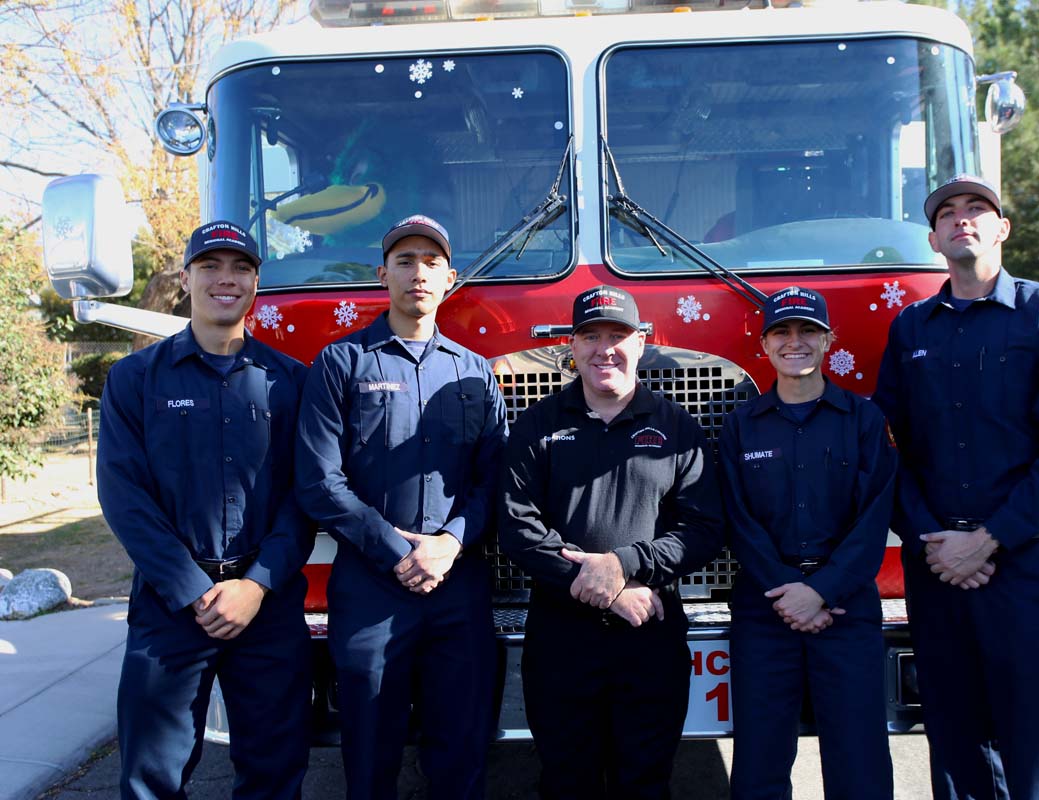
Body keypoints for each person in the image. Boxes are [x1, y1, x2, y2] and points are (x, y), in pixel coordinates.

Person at [874, 175, 1039, 800]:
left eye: (977, 209)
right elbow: (886, 451)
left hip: (1028, 560)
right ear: (933, 238)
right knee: (954, 736)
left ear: (1002, 229)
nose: (962, 219)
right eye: (947, 213)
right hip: (940, 566)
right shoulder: (910, 329)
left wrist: (990, 538)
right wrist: (933, 541)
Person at [98, 220, 314, 799]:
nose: (226, 279)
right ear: (187, 277)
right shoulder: (134, 379)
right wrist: (193, 588)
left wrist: (257, 584)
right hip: (170, 607)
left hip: (265, 607)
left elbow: (307, 495)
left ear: (256, 283)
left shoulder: (291, 383)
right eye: (211, 266)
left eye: (241, 267)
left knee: (275, 773)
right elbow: (123, 495)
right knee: (152, 778)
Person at [294, 215, 507, 800]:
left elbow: (494, 479)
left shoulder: (475, 372)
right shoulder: (341, 364)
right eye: (405, 261)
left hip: (457, 588)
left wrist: (451, 542)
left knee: (461, 757)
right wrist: (395, 549)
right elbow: (318, 480)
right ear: (382, 273)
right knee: (368, 760)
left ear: (450, 279)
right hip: (369, 589)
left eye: (432, 262)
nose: (418, 273)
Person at [498, 285, 723, 799]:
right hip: (560, 639)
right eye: (590, 336)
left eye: (618, 335)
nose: (605, 349)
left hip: (650, 634)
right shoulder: (538, 425)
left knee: (644, 782)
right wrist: (603, 586)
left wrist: (625, 564)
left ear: (641, 342)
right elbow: (515, 526)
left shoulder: (677, 428)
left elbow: (704, 529)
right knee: (564, 782)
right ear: (572, 347)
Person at [719, 286, 895, 800]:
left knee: (859, 761)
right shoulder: (740, 425)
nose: (794, 341)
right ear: (765, 344)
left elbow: (873, 519)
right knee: (758, 762)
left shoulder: (865, 421)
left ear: (827, 340)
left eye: (807, 331)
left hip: (846, 609)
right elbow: (737, 518)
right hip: (764, 608)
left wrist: (822, 591)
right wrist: (787, 589)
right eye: (782, 332)